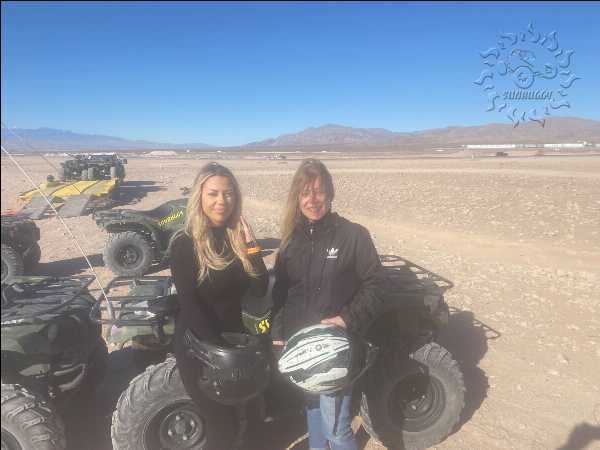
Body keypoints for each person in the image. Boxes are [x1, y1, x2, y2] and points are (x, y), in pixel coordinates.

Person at [272, 158, 387, 450]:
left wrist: (347, 319)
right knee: (312, 409)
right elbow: (282, 292)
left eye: (319, 191)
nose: (312, 200)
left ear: (330, 193)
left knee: (336, 427)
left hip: (337, 348)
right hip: (302, 348)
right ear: (296, 198)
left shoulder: (353, 235)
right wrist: (278, 333)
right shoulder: (290, 242)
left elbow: (377, 284)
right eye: (305, 193)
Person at [169, 162, 268, 414]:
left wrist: (253, 249)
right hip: (199, 345)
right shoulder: (184, 243)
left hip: (234, 338)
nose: (221, 201)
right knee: (220, 423)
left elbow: (260, 288)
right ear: (199, 197)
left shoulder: (236, 238)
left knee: (248, 415)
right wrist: (221, 354)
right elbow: (190, 305)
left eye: (228, 193)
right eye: (213, 193)